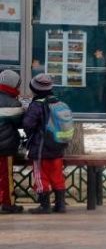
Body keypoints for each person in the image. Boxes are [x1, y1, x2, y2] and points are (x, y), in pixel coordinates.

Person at [22, 73, 67, 214]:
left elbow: (28, 124)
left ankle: (44, 205)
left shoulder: (37, 105)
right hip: (58, 148)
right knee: (57, 176)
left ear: (34, 89)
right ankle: (60, 205)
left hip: (41, 148)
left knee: (41, 176)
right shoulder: (58, 103)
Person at [0, 70, 24, 214]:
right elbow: (20, 123)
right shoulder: (13, 103)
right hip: (4, 147)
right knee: (5, 176)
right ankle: (7, 203)